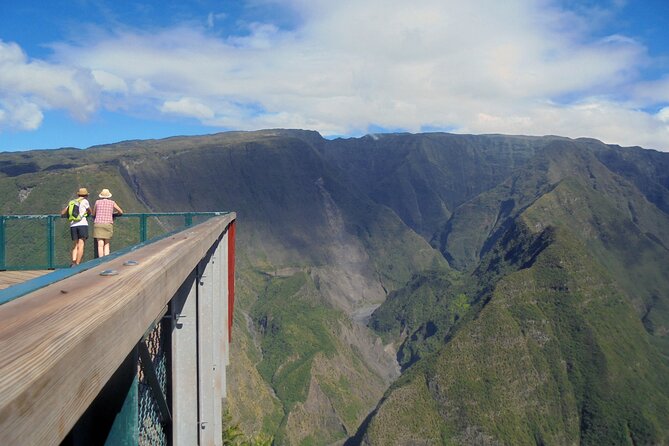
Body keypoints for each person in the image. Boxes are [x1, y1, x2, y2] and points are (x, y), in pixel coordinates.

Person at [61, 187, 91, 266]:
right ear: (86, 195)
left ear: (78, 195)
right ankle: (77, 263)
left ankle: (73, 262)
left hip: (73, 225)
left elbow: (63, 212)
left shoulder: (72, 202)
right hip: (82, 224)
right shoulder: (85, 201)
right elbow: (89, 211)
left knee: (75, 244)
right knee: (81, 244)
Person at [92, 188, 123, 257]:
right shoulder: (112, 203)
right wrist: (113, 213)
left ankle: (100, 260)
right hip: (108, 224)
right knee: (106, 243)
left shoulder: (97, 202)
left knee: (100, 244)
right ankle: (107, 259)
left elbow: (94, 213)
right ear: (109, 196)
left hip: (98, 223)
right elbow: (120, 211)